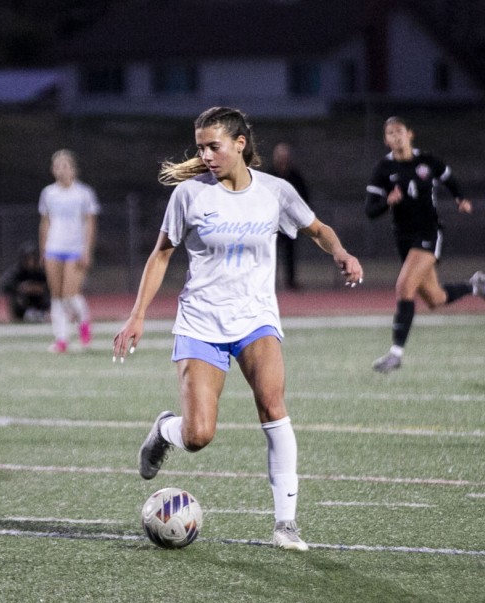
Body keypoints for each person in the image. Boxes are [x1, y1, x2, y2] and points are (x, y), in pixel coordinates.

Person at [113, 107, 363, 551]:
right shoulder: (189, 195)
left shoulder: (274, 191)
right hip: (201, 322)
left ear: (240, 143)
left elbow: (317, 228)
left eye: (214, 146)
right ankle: (165, 430)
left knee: (273, 406)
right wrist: (137, 315)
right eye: (200, 148)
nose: (205, 156)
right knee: (198, 436)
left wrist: (340, 253)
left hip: (256, 319)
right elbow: (161, 255)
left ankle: (286, 524)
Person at [365, 116, 485, 373]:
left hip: (429, 233)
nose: (396, 136)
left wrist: (460, 198)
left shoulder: (427, 161)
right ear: (386, 140)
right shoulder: (383, 168)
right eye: (390, 133)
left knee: (404, 287)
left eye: (399, 131)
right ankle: (474, 286)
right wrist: (388, 201)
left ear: (410, 134)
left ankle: (395, 354)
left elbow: (449, 178)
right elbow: (370, 210)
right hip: (403, 238)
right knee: (435, 298)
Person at [38, 149, 100, 353]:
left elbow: (90, 224)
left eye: (65, 166)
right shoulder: (48, 193)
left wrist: (87, 251)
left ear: (73, 169)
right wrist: (43, 249)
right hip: (54, 248)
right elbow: (45, 222)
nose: (61, 170)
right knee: (56, 296)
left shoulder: (83, 193)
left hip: (75, 249)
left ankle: (84, 326)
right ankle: (61, 339)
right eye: (57, 166)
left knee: (70, 295)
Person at [268, 142, 310, 290]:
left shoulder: (295, 177)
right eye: (280, 156)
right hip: (272, 222)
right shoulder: (269, 175)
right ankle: (268, 282)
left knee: (290, 253)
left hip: (290, 222)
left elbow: (303, 198)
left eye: (285, 156)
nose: (283, 159)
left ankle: (291, 282)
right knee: (270, 252)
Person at [0, 241, 50, 323]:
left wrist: (40, 288)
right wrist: (21, 288)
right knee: (17, 299)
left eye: (33, 259)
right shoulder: (16, 271)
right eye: (28, 259)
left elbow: (52, 287)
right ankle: (20, 317)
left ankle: (45, 314)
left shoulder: (41, 272)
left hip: (40, 303)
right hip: (23, 303)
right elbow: (4, 286)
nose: (31, 262)